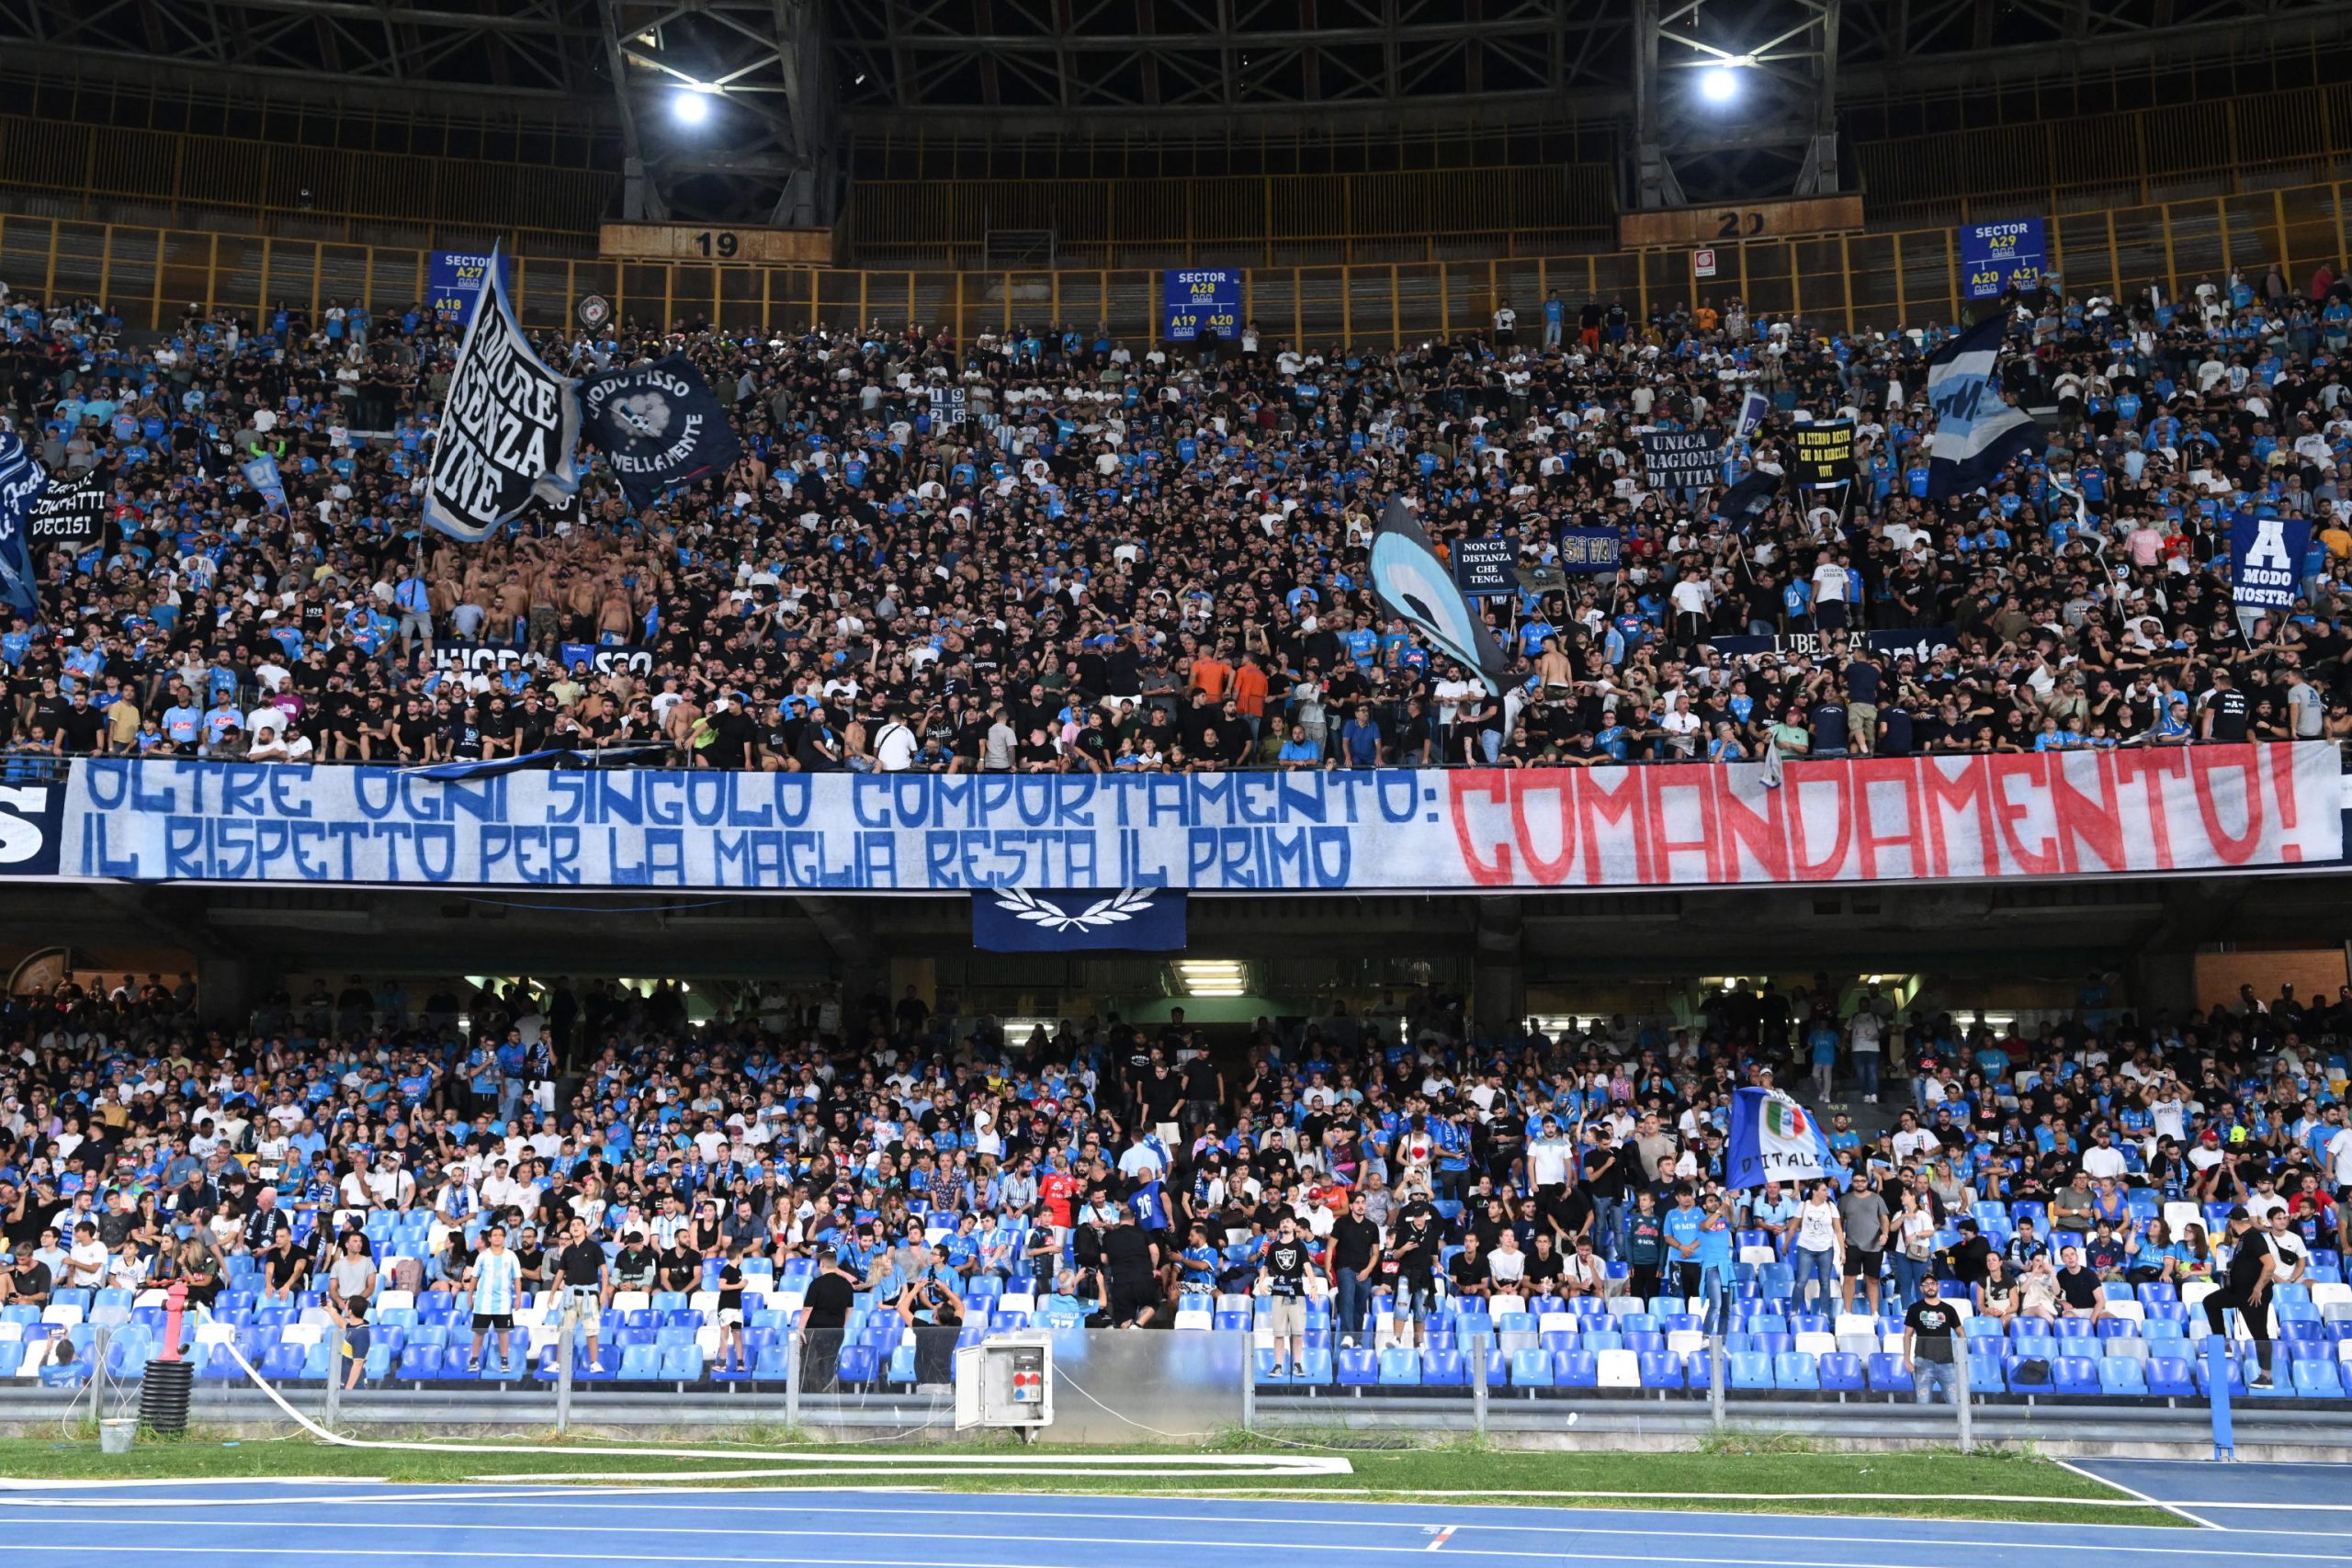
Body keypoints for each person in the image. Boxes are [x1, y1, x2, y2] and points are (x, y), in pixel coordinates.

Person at [2204, 1205, 2279, 1389]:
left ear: (2232, 1222)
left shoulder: (2253, 1237)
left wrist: (2258, 1288)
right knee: (2211, 1302)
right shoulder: (2245, 1238)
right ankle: (2223, 1344)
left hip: (2253, 1294)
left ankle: (2266, 1376)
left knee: (2259, 1332)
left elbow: (2270, 1265)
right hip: (2240, 1292)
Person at [553, 1215, 611, 1372]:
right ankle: (558, 1363)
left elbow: (604, 1272)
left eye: (579, 1224)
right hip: (570, 1294)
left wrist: (603, 1292)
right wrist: (553, 1292)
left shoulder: (594, 1247)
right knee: (565, 1331)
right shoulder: (568, 1250)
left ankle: (594, 1363)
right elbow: (560, 1272)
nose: (575, 1227)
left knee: (591, 1331)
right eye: (572, 1225)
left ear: (585, 1228)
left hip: (589, 1294)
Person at [1326, 1190, 1381, 1348]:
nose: (1360, 1205)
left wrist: (1368, 1270)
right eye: (1357, 1202)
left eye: (1363, 1202)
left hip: (1365, 1271)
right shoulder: (1341, 1223)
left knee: (1360, 1306)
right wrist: (1327, 1268)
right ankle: (1348, 1336)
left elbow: (1376, 1253)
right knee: (1347, 1301)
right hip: (1345, 1269)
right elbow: (1330, 1247)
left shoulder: (1372, 1226)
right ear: (1350, 1205)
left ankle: (1356, 1340)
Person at [465, 1222, 523, 1372]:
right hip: (483, 1302)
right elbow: (474, 1277)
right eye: (494, 1235)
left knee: (503, 1332)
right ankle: (474, 1360)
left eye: (500, 1235)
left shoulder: (511, 1256)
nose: (497, 1238)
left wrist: (518, 1298)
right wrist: (470, 1296)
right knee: (479, 1332)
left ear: (504, 1238)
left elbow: (517, 1278)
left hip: (503, 1302)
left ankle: (504, 1361)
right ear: (489, 1238)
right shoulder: (483, 1256)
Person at [1902, 1274, 1967, 1405]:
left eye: (1932, 1284)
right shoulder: (1915, 1308)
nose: (1930, 1287)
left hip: (1947, 1362)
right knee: (1922, 1403)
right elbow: (1907, 1335)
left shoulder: (1948, 1309)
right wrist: (1907, 1359)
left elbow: (1961, 1333)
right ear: (1921, 1289)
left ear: (1938, 1286)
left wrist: (1960, 1357)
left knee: (1955, 1404)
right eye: (1926, 1285)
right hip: (1923, 1361)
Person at [1260, 1214, 1312, 1379]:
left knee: (1297, 1332)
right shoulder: (1274, 1246)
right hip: (1278, 1292)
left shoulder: (1300, 1245)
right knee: (1279, 1333)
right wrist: (1261, 1282)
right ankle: (1278, 1365)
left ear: (1295, 1225)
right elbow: (1265, 1267)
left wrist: (1314, 1285)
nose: (1285, 1224)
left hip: (1296, 1292)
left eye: (1288, 1221)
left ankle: (1297, 1364)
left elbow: (1307, 1266)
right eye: (1282, 1222)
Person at [1791, 1181, 1844, 1313]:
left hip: (1826, 1249)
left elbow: (1838, 1230)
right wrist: (1786, 1245)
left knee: (1825, 1283)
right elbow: (1793, 1227)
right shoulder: (1803, 1205)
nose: (1827, 1192)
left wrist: (1842, 1251)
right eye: (1824, 1190)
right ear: (1814, 1191)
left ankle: (1824, 1312)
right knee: (1801, 1281)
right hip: (1806, 1248)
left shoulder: (1831, 1206)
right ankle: (1794, 1311)